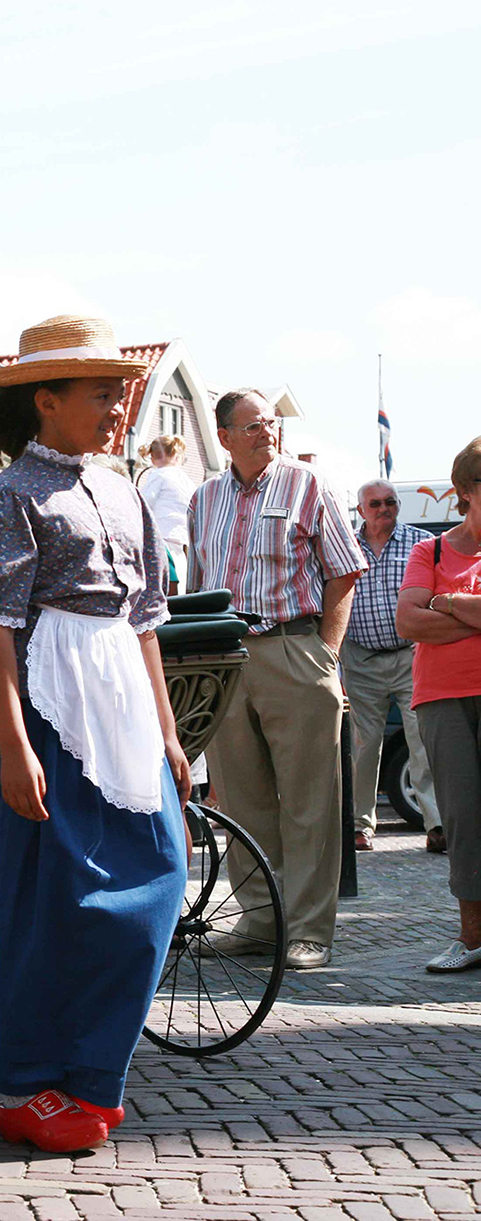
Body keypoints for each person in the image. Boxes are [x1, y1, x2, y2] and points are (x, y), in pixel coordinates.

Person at [0, 314, 189, 1153]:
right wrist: (12, 746)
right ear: (46, 400)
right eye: (102, 394)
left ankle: (85, 1071)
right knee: (54, 901)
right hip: (43, 704)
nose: (119, 408)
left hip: (119, 699)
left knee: (159, 874)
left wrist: (170, 733)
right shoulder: (3, 499)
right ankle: (45, 1082)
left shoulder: (124, 488)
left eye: (121, 393)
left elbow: (147, 621)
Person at [188, 388, 365, 970]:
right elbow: (195, 588)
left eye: (270, 422)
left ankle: (310, 930)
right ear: (224, 437)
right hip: (226, 660)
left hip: (293, 647)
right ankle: (260, 921)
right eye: (254, 425)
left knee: (311, 800)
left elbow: (344, 571)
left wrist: (326, 656)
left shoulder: (307, 485)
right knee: (240, 800)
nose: (268, 432)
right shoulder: (204, 497)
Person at [397, 437, 481, 972]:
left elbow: (425, 614)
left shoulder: (435, 572)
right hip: (441, 698)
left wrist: (444, 602)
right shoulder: (428, 550)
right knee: (463, 819)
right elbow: (407, 622)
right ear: (467, 491)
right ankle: (473, 939)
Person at [343, 479, 440, 852]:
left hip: (411, 654)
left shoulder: (421, 543)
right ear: (361, 510)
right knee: (363, 745)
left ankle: (436, 824)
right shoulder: (345, 546)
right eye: (376, 503)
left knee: (423, 738)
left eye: (390, 502)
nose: (384, 509)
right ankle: (361, 826)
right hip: (361, 657)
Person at [137, 435, 195, 594]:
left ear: (153, 457)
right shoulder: (186, 479)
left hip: (161, 535)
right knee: (180, 580)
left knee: (161, 582)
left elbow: (145, 503)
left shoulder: (158, 475)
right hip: (181, 538)